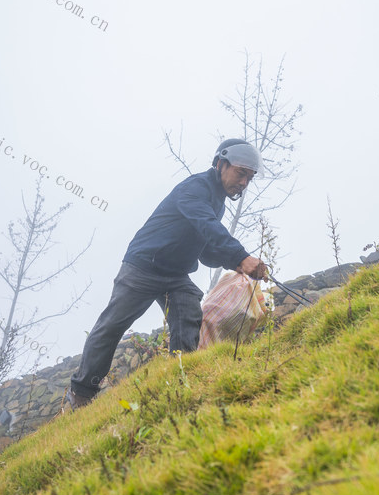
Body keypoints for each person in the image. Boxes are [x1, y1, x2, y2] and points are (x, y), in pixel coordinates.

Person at [66, 139, 269, 410]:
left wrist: (237, 264)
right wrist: (242, 256)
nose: (244, 182)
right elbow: (206, 225)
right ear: (221, 164)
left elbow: (205, 250)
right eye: (241, 173)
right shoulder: (195, 188)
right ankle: (81, 394)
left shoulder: (217, 201)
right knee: (112, 325)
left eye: (250, 177)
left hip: (175, 275)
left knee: (188, 318)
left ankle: (181, 379)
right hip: (143, 267)